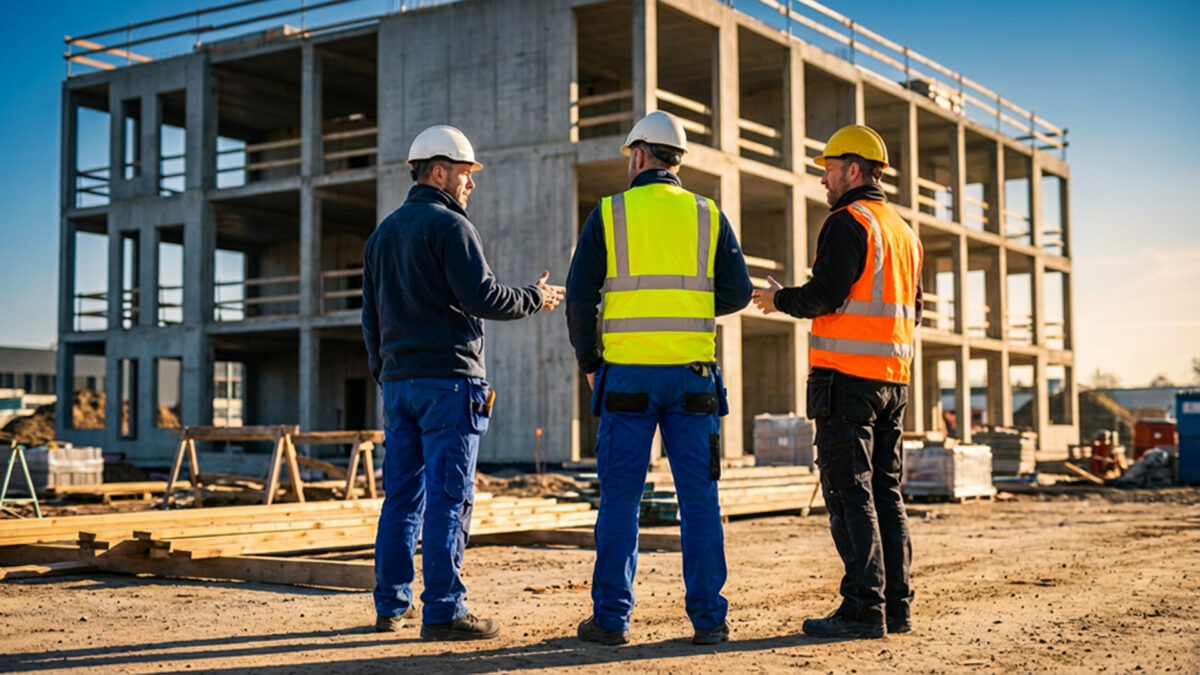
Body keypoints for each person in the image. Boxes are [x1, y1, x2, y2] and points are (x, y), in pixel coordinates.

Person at [362, 124, 565, 641]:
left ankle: (391, 606)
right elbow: (482, 297)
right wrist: (534, 297)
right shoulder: (451, 226)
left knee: (401, 497)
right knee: (450, 497)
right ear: (438, 172)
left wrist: (386, 375)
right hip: (449, 383)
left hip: (399, 385)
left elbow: (370, 320)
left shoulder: (382, 235)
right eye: (465, 173)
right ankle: (444, 611)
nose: (471, 183)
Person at [565, 111, 753, 646]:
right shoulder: (707, 214)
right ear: (678, 160)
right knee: (700, 502)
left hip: (626, 379)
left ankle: (611, 620)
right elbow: (738, 293)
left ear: (642, 155)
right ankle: (709, 622)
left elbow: (579, 298)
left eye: (631, 155)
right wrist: (688, 306)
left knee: (620, 501)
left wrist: (590, 362)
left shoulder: (610, 213)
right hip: (693, 381)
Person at [751, 124, 923, 639]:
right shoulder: (903, 231)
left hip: (847, 379)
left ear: (852, 170)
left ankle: (863, 609)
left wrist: (778, 300)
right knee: (885, 491)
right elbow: (912, 311)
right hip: (893, 380)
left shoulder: (848, 222)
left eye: (828, 171)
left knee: (849, 492)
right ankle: (895, 607)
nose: (823, 180)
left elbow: (824, 295)